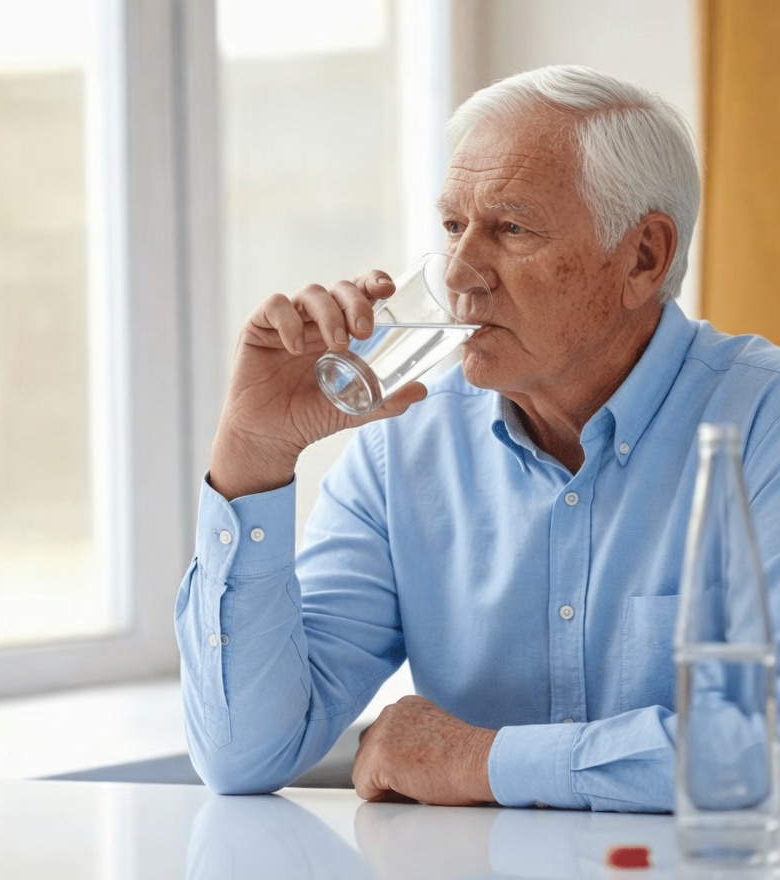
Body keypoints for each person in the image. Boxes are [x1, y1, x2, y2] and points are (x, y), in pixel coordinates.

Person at [174, 64, 780, 811]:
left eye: (512, 229)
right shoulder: (406, 436)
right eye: (454, 226)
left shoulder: (762, 423)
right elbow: (245, 754)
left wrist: (486, 762)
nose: (459, 273)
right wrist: (252, 456)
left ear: (642, 256)